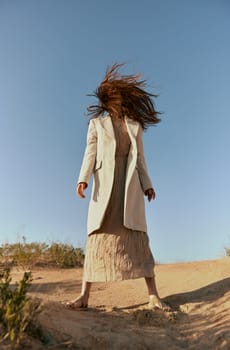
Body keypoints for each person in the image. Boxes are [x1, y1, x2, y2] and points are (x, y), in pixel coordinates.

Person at [66, 63, 170, 311]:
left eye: (121, 97)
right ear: (108, 100)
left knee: (137, 236)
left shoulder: (135, 125)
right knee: (97, 236)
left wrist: (147, 185)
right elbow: (89, 154)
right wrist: (83, 179)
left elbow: (140, 159)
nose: (119, 101)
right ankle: (84, 296)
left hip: (130, 186)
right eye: (116, 97)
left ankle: (153, 295)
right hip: (105, 187)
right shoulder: (97, 125)